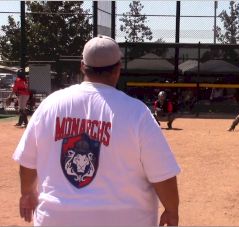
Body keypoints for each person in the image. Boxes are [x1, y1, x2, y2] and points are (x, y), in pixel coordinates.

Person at [12, 35, 181, 226]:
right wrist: (171, 210)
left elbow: (27, 161)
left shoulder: (50, 104)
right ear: (118, 68)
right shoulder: (137, 112)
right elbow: (163, 173)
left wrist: (27, 193)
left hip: (56, 219)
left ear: (83, 66)